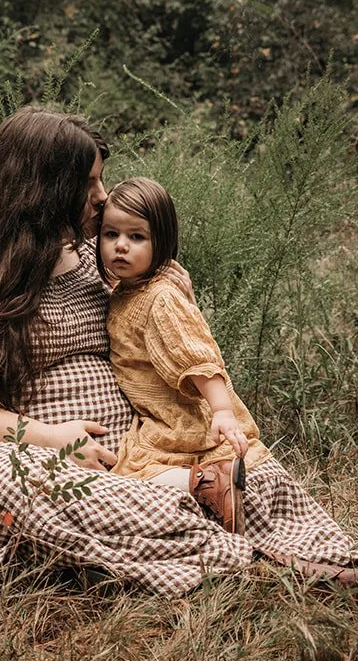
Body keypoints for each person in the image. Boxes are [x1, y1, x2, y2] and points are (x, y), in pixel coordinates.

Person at [0, 106, 358, 595]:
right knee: (25, 482)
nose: (101, 195)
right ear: (42, 188)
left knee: (238, 462)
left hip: (130, 451)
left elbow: (152, 322)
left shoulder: (92, 249)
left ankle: (322, 557)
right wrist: (48, 439)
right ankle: (248, 562)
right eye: (87, 184)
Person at [98, 177, 267, 535]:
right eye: (111, 234)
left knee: (134, 474)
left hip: (178, 415)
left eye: (136, 237)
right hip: (159, 411)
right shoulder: (127, 291)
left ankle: (207, 484)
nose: (121, 247)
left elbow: (194, 355)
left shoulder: (160, 298)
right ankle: (210, 485)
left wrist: (221, 410)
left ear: (162, 243)